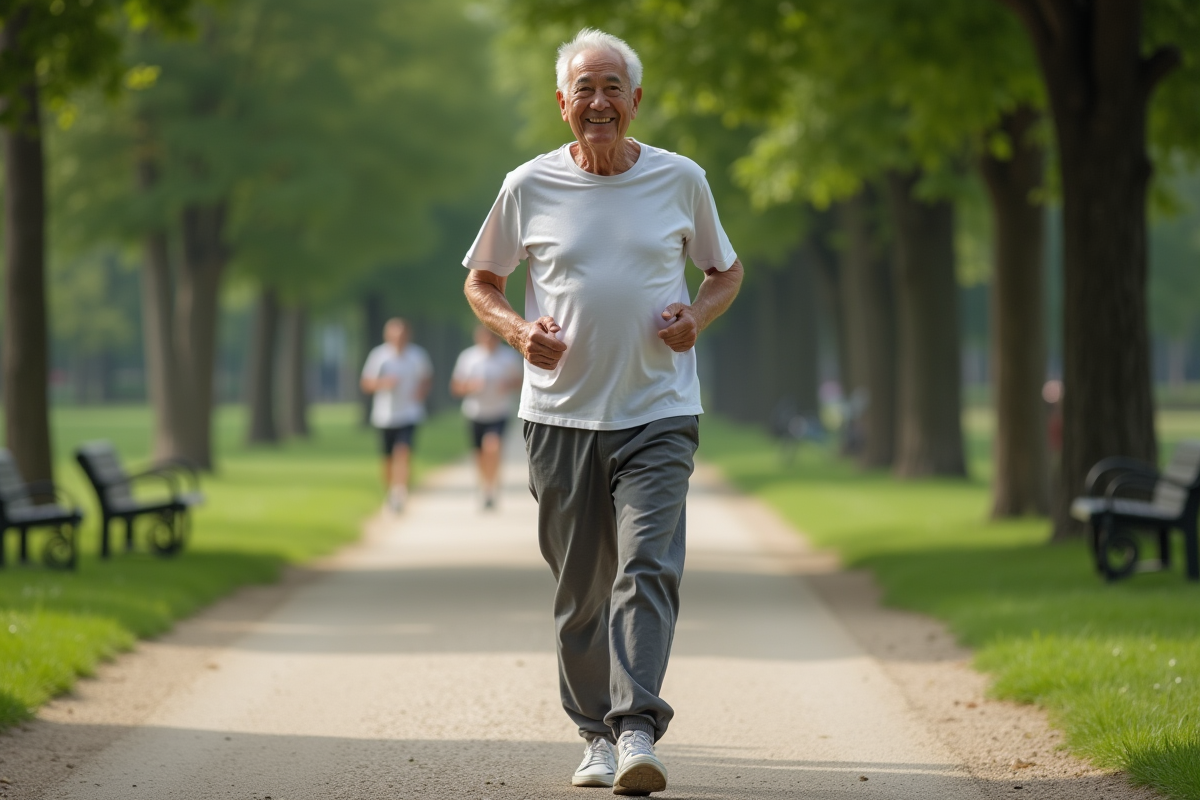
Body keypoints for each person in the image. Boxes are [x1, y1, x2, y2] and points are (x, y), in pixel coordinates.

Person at [462, 28, 743, 796]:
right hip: (560, 417)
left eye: (612, 87)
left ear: (635, 100)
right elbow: (482, 280)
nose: (598, 102)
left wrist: (697, 316)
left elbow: (724, 271)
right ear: (562, 103)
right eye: (584, 88)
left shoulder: (681, 179)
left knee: (647, 566)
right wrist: (519, 332)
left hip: (659, 411)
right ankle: (594, 733)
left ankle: (636, 728)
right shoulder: (528, 185)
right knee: (582, 590)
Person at [360, 318, 432, 513]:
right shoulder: (379, 356)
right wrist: (384, 383)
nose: (398, 339)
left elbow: (426, 379)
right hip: (385, 415)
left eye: (402, 335)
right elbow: (366, 383)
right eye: (394, 335)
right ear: (387, 336)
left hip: (409, 413)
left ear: (408, 335)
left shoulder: (417, 355)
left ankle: (400, 491)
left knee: (403, 451)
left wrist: (421, 391)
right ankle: (390, 492)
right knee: (387, 459)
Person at [450, 325, 523, 509]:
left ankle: (492, 488)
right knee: (480, 454)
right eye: (485, 336)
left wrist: (507, 385)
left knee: (493, 446)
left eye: (492, 336)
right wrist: (471, 387)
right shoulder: (468, 358)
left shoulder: (508, 357)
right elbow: (456, 387)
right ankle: (485, 486)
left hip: (499, 411)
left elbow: (520, 382)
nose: (488, 340)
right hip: (475, 412)